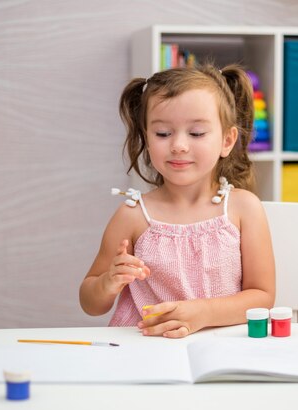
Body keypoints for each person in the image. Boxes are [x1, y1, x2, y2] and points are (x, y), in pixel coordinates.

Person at [79, 63, 275, 338]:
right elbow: (90, 303)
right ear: (146, 138)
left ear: (227, 140)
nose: (179, 145)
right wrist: (108, 282)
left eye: (196, 133)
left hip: (222, 345)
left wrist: (203, 313)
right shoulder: (133, 215)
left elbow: (263, 297)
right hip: (145, 347)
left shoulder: (244, 208)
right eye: (162, 133)